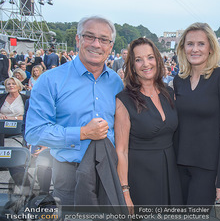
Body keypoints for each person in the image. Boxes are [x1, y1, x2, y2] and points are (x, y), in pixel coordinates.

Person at [25, 16, 124, 205]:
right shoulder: (50, 80)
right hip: (70, 174)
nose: (96, 44)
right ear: (78, 40)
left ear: (110, 46)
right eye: (89, 37)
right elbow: (34, 132)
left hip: (110, 173)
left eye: (103, 39)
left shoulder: (116, 82)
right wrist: (82, 133)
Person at [173, 22, 220, 205]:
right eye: (190, 44)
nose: (195, 49)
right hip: (178, 165)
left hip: (207, 167)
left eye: (201, 44)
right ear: (183, 48)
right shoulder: (179, 80)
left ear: (210, 48)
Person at [115, 37, 182, 213]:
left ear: (157, 60)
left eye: (150, 57)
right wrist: (125, 192)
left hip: (171, 174)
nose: (146, 63)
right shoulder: (124, 100)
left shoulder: (169, 92)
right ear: (132, 65)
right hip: (141, 178)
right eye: (139, 59)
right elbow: (121, 150)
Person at [0, 77, 28, 146]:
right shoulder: (1, 97)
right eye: (8, 84)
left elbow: (29, 116)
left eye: (13, 84)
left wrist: (14, 118)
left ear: (18, 86)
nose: (11, 86)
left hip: (19, 130)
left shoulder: (26, 99)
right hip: (1, 129)